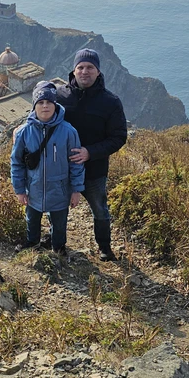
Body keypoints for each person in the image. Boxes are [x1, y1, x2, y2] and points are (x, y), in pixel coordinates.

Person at [58, 48, 128, 261]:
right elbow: (40, 116)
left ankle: (105, 248)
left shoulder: (111, 102)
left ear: (98, 72)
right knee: (58, 208)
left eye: (90, 67)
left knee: (100, 209)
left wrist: (90, 152)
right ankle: (57, 245)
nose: (85, 72)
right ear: (74, 70)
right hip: (63, 167)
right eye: (80, 67)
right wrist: (20, 129)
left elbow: (118, 137)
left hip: (94, 170)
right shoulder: (60, 95)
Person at [11, 81, 85, 254]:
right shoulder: (24, 132)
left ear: (55, 104)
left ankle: (58, 247)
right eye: (41, 102)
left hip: (59, 190)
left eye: (49, 102)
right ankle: (32, 243)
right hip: (33, 188)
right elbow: (16, 162)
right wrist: (20, 190)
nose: (45, 106)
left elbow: (76, 163)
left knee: (60, 223)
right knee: (31, 219)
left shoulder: (69, 131)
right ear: (35, 106)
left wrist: (76, 190)